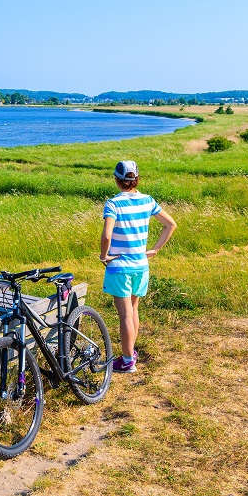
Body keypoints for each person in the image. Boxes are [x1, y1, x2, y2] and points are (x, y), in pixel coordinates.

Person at [100, 160, 177, 373]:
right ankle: (130, 353)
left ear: (117, 180)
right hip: (141, 265)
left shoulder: (113, 204)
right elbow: (170, 225)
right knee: (133, 310)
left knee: (124, 315)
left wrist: (104, 256)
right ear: (136, 179)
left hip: (120, 267)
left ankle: (126, 361)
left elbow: (107, 234)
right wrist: (155, 249)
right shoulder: (148, 201)